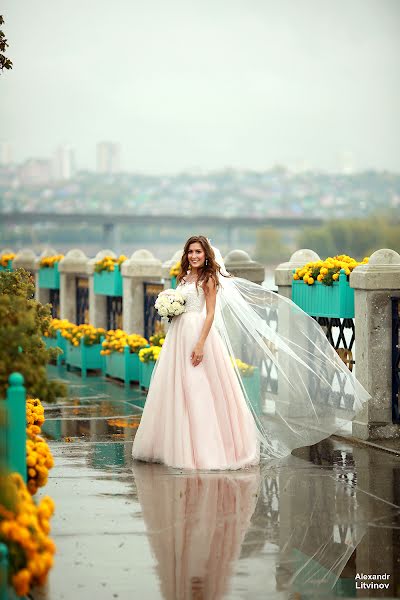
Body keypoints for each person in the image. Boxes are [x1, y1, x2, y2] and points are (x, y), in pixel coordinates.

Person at [132, 236, 370, 470]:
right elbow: (182, 305)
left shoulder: (209, 279)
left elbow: (211, 313)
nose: (194, 256)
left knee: (199, 388)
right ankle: (171, 444)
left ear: (206, 255)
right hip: (178, 335)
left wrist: (200, 343)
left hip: (198, 334)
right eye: (190, 252)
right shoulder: (182, 277)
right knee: (176, 387)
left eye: (198, 252)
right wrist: (170, 309)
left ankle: (202, 449)